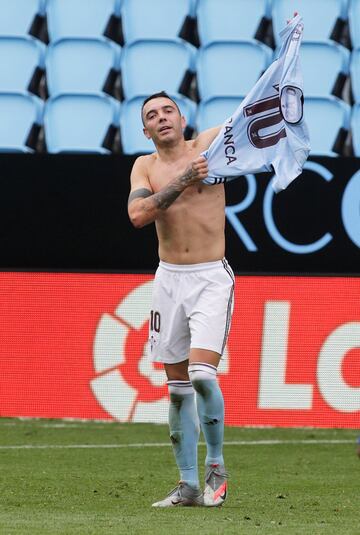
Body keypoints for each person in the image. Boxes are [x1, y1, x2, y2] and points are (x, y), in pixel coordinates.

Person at [128, 91, 234, 507]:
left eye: (167, 110)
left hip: (210, 276)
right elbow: (138, 216)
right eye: (152, 115)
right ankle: (188, 485)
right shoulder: (145, 166)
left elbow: (253, 124)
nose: (161, 117)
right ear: (146, 130)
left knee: (203, 375)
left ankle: (217, 469)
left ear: (182, 117)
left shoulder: (209, 144)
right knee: (176, 389)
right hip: (168, 279)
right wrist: (185, 179)